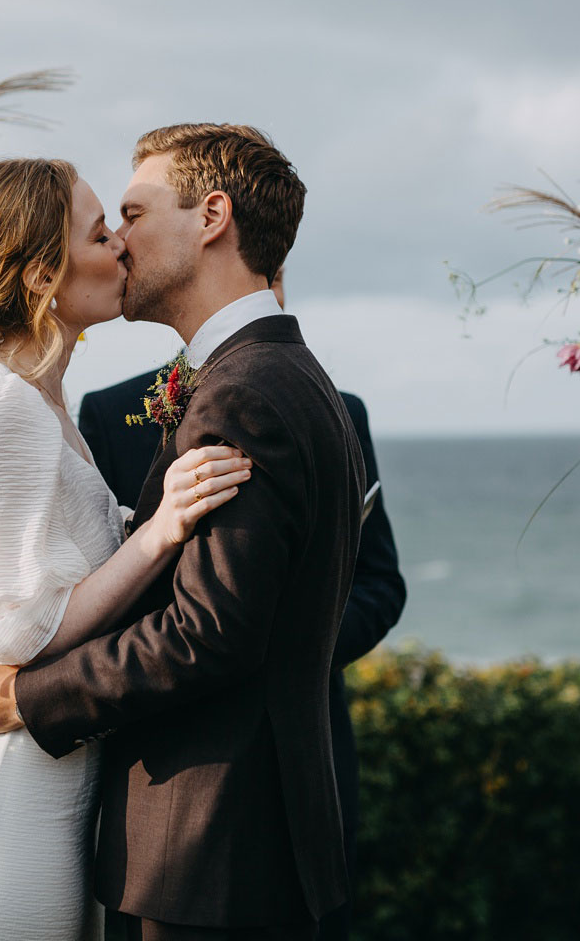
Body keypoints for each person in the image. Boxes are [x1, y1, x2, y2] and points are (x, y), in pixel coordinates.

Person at [0, 124, 366, 939]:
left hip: (208, 852)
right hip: (236, 848)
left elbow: (206, 635)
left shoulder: (245, 392)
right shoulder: (276, 374)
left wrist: (24, 697)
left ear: (212, 216)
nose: (119, 242)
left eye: (134, 214)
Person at [0, 158, 255, 941]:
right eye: (100, 233)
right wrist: (160, 534)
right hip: (5, 795)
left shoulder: (37, 400)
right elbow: (15, 641)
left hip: (51, 777)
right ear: (41, 276)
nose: (123, 247)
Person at [76, 265, 406, 941]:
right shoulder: (110, 413)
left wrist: (293, 642)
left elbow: (380, 582)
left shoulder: (342, 411)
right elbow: (105, 592)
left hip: (304, 762)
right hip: (171, 784)